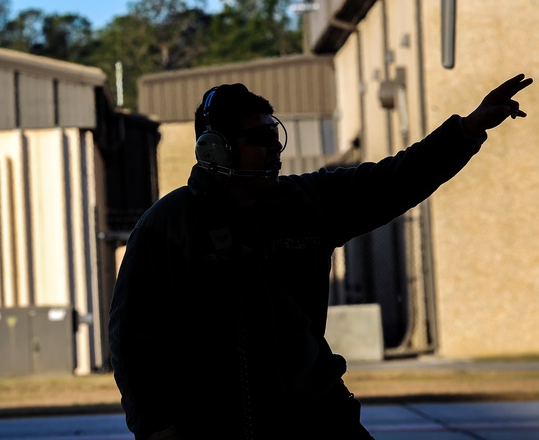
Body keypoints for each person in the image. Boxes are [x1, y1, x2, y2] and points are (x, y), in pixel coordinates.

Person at [108, 74, 532, 439]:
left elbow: (396, 178)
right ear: (216, 150)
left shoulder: (307, 202)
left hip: (312, 413)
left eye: (276, 137)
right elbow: (131, 338)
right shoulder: (168, 225)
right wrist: (156, 427)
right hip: (214, 425)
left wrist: (469, 129)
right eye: (259, 139)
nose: (275, 150)